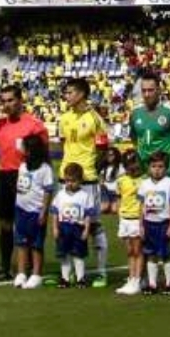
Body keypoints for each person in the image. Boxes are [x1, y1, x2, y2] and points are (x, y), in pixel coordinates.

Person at [129, 70, 170, 289]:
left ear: (159, 90)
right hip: (146, 180)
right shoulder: (134, 114)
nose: (147, 94)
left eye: (151, 90)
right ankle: (150, 277)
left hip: (169, 178)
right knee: (148, 225)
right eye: (143, 90)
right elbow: (135, 140)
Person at [0, 84, 50, 282]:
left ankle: (31, 269)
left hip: (27, 177)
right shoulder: (0, 124)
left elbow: (45, 156)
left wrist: (46, 186)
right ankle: (7, 266)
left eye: (10, 100)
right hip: (5, 176)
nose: (6, 105)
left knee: (28, 223)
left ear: (20, 100)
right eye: (3, 101)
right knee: (5, 224)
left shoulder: (34, 125)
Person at [55, 77, 112, 287]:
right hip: (65, 178)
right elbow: (64, 143)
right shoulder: (64, 118)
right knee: (67, 224)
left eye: (70, 92)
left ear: (81, 94)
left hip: (87, 180)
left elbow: (104, 149)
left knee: (94, 225)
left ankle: (101, 272)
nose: (66, 96)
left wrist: (91, 171)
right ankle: (69, 272)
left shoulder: (95, 118)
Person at [134, 151, 170, 295]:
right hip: (149, 224)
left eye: (160, 166)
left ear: (165, 168)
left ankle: (169, 283)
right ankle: (152, 284)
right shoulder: (144, 184)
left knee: (166, 254)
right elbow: (141, 206)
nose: (157, 169)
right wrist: (141, 225)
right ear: (149, 167)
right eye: (154, 166)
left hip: (164, 224)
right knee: (151, 254)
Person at [11, 134, 55, 289]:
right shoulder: (23, 166)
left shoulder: (45, 169)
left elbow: (48, 191)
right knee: (21, 242)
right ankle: (21, 272)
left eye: (24, 147)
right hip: (21, 210)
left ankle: (36, 274)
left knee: (36, 244)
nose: (21, 149)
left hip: (35, 211)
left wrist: (44, 211)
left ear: (31, 150)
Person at [52, 162, 95, 289]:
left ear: (80, 180)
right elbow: (55, 212)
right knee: (63, 254)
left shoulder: (85, 196)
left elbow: (88, 214)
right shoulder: (60, 195)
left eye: (73, 181)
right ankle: (65, 278)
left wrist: (86, 229)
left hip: (78, 228)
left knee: (78, 254)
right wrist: (54, 228)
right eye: (67, 180)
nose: (70, 183)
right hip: (63, 228)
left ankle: (80, 278)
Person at [111, 148, 147, 296]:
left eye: (135, 163)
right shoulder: (121, 181)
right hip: (125, 219)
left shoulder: (144, 181)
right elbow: (119, 199)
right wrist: (118, 213)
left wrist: (142, 222)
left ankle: (137, 280)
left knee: (137, 251)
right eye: (129, 164)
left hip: (137, 219)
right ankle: (132, 278)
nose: (133, 167)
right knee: (129, 251)